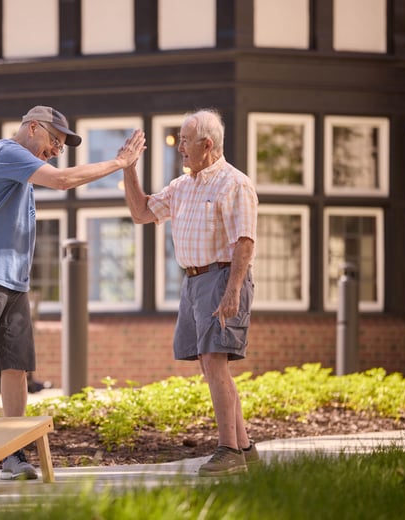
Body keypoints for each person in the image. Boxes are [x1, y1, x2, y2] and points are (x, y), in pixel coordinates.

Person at [0, 105, 146, 480]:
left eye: (61, 145)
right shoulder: (4, 152)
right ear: (33, 128)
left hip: (13, 283)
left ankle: (12, 455)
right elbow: (63, 181)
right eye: (54, 140)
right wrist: (120, 162)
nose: (56, 150)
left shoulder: (22, 173)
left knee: (17, 368)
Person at [122, 109, 259, 476]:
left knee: (215, 364)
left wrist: (232, 293)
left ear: (207, 144)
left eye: (185, 140)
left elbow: (244, 243)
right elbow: (141, 213)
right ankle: (244, 448)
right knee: (209, 366)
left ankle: (228, 449)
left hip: (223, 277)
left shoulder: (235, 184)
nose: (179, 147)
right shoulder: (182, 186)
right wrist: (128, 168)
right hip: (193, 282)